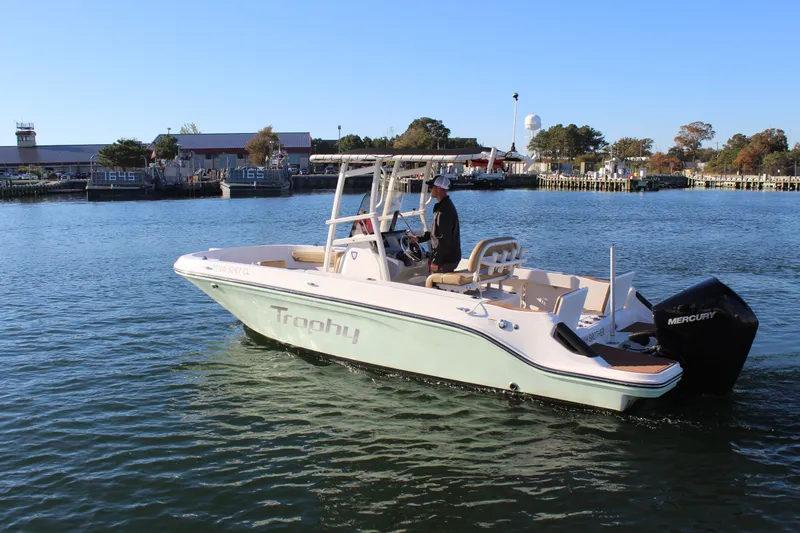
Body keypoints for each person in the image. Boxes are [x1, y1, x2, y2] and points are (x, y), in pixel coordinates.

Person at [417, 175, 461, 273]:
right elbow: (437, 234)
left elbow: (444, 240)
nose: (430, 190)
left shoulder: (443, 211)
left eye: (431, 187)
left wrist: (436, 261)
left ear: (438, 189)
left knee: (432, 281)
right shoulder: (444, 207)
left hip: (446, 260)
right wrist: (419, 239)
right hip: (450, 257)